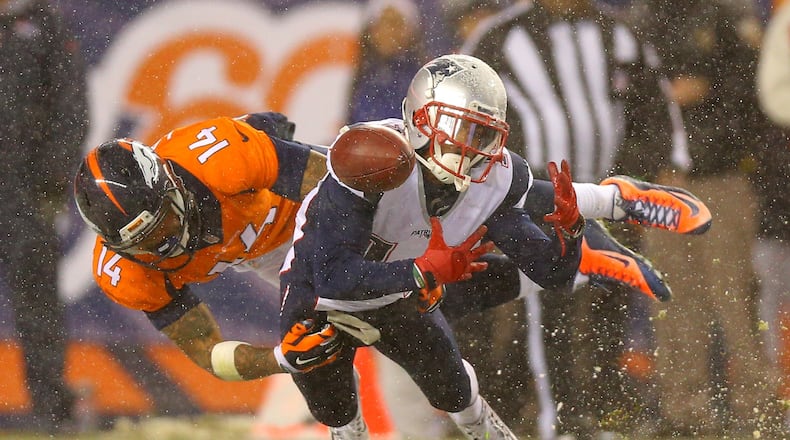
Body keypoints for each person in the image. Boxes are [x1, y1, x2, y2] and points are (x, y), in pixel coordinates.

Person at [277, 53, 712, 440]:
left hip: (402, 295)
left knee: (458, 392)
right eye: (461, 129)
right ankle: (614, 199)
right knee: (334, 408)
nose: (473, 149)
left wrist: (570, 232)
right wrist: (422, 269)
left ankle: (614, 203)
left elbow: (550, 273)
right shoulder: (374, 157)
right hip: (321, 298)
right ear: (421, 119)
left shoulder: (490, 179)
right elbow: (331, 276)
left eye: (482, 135)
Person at [459, 0, 693, 437]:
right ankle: (557, 421)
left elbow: (654, 106)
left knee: (609, 304)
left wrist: (647, 173)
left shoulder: (616, 32)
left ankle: (596, 413)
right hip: (534, 201)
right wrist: (490, 189)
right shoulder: (499, 36)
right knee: (547, 310)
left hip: (606, 200)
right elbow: (466, 116)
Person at [72, 113, 344, 382]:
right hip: (267, 253)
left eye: (163, 221)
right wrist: (279, 359)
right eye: (142, 242)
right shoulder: (125, 273)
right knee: (322, 344)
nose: (165, 242)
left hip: (304, 209)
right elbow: (207, 352)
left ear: (172, 185)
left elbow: (342, 191)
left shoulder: (221, 159)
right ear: (118, 248)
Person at [630, 0, 783, 436]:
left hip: (723, 175)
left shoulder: (725, 18)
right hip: (665, 179)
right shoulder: (639, 24)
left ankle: (759, 410)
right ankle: (684, 410)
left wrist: (710, 88)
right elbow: (628, 102)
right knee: (672, 296)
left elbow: (764, 94)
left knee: (733, 294)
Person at [0, 0, 88, 432]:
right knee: (37, 300)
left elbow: (71, 104)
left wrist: (50, 179)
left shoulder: (43, 22)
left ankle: (51, 406)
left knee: (37, 300)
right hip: (23, 184)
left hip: (25, 187)